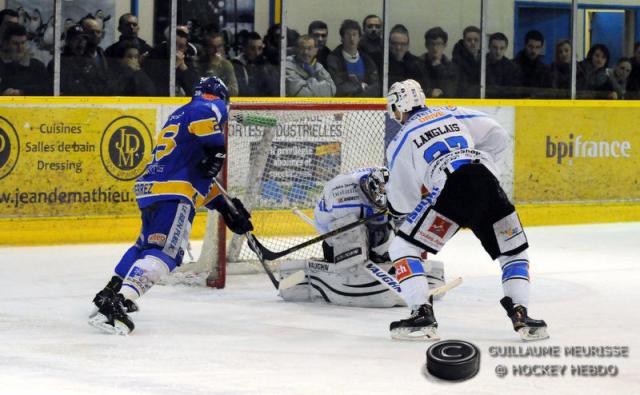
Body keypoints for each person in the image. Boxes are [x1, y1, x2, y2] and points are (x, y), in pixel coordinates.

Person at [384, 79, 548, 341]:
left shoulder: (401, 138)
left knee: (402, 247)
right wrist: (482, 164)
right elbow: (498, 136)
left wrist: (401, 204)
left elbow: (403, 201)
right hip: (486, 181)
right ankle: (521, 313)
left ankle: (421, 314)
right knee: (512, 250)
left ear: (397, 107)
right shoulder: (452, 112)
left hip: (453, 191)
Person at [89, 77, 254, 335]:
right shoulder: (207, 105)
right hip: (172, 193)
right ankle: (117, 304)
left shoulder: (178, 115)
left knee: (145, 247)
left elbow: (192, 173)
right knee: (166, 253)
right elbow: (206, 115)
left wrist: (223, 206)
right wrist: (217, 151)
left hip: (152, 190)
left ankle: (110, 291)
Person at [278, 167, 445, 307]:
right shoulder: (342, 195)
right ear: (370, 189)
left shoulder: (393, 183)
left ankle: (386, 259)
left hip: (367, 218)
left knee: (391, 238)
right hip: (335, 230)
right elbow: (330, 226)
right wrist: (354, 255)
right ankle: (347, 263)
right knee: (351, 235)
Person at [326, 19, 380, 97]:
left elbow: (376, 86)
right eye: (348, 35)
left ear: (359, 38)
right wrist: (360, 87)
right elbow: (337, 87)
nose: (351, 39)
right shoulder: (334, 59)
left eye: (354, 35)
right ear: (342, 38)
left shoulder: (367, 59)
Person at [0, 22, 50, 95]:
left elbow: (47, 90)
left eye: (23, 43)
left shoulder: (38, 67)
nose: (20, 48)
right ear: (6, 44)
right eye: (15, 43)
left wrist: (22, 92)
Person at [232, 32, 278, 96]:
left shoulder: (266, 67)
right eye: (252, 49)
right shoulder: (235, 66)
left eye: (260, 48)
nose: (257, 53)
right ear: (244, 49)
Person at [197, 31, 239, 96]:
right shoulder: (197, 64)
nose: (216, 50)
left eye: (219, 46)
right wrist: (213, 66)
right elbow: (204, 90)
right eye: (212, 47)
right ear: (205, 48)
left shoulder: (226, 65)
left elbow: (234, 91)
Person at [421, 27, 458, 98]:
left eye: (438, 44)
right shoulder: (417, 65)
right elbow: (412, 90)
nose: (435, 48)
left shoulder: (452, 68)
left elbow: (451, 92)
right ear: (426, 45)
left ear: (444, 45)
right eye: (432, 44)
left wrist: (439, 67)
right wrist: (429, 92)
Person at [513, 30, 552, 97]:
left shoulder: (544, 70)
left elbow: (548, 92)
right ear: (525, 45)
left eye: (537, 47)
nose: (533, 51)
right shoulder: (513, 66)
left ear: (541, 48)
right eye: (530, 46)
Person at [388, 24, 427, 90]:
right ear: (388, 43)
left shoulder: (417, 64)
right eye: (395, 43)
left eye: (403, 44)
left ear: (408, 45)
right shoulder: (381, 62)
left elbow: (423, 89)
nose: (398, 48)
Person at [486, 32, 519, 98]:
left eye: (502, 48)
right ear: (489, 47)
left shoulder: (512, 68)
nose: (498, 52)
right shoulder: (480, 64)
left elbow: (513, 92)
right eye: (495, 47)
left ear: (506, 48)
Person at [452, 25, 481, 98]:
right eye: (469, 40)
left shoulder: (484, 60)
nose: (473, 43)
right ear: (464, 42)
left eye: (476, 40)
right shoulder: (457, 61)